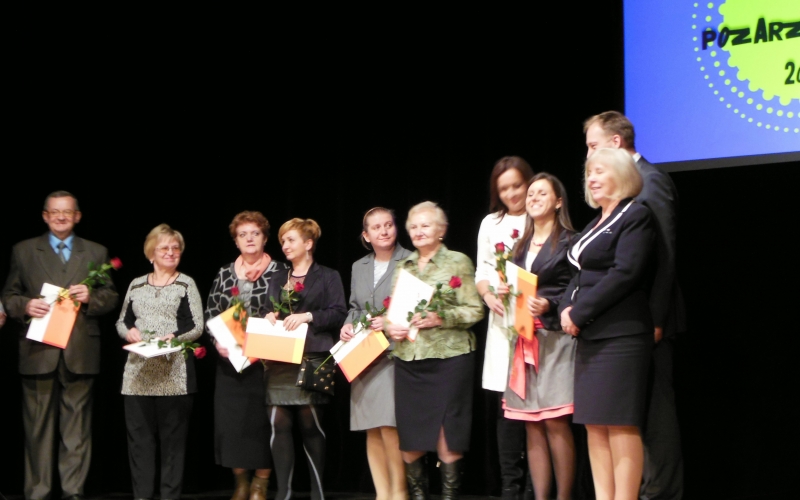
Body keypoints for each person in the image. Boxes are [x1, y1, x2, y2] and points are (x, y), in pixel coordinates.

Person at [585, 111, 686, 500]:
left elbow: (665, 255)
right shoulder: (616, 195)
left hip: (648, 320)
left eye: (594, 146)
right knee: (629, 416)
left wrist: (656, 318)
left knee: (655, 415)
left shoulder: (650, 181)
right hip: (621, 324)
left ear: (616, 143)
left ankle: (660, 494)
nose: (589, 157)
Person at [1, 190, 119, 500]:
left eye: (67, 212)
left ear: (77, 216)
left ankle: (73, 492)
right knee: (37, 428)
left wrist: (92, 297)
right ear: (45, 216)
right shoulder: (24, 250)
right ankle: (37, 493)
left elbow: (110, 296)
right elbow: (9, 296)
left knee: (76, 429)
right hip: (38, 350)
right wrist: (25, 305)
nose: (61, 217)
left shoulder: (95, 252)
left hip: (79, 351)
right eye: (55, 212)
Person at [559, 148, 656, 500]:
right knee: (595, 424)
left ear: (622, 174)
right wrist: (564, 310)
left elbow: (624, 273)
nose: (592, 178)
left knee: (620, 424)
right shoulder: (593, 225)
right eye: (589, 173)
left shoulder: (636, 215)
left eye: (600, 171)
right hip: (591, 337)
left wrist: (578, 312)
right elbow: (578, 275)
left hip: (621, 335)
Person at [385, 201, 484, 500]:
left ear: (441, 230)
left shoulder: (457, 262)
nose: (418, 231)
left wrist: (441, 317)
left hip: (449, 360)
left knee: (447, 437)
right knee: (411, 441)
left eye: (425, 225)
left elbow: (475, 310)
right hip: (409, 359)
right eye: (413, 227)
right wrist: (391, 327)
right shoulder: (403, 266)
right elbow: (392, 314)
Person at [502, 173, 577, 500]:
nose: (533, 198)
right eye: (530, 193)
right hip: (524, 337)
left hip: (554, 338)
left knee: (555, 420)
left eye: (541, 193)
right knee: (532, 422)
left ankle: (564, 496)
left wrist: (550, 303)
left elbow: (577, 286)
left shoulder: (571, 241)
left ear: (558, 201)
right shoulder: (521, 245)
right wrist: (507, 292)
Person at [116, 224, 204, 500]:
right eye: (164, 248)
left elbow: (197, 325)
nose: (170, 252)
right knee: (140, 443)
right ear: (151, 253)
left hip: (173, 373)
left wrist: (173, 338)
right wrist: (128, 332)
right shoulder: (136, 284)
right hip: (137, 374)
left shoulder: (185, 283)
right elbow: (121, 321)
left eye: (175, 248)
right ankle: (142, 496)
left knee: (173, 445)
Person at [205, 212, 289, 500]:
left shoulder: (281, 271)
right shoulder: (224, 273)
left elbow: (289, 310)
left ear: (265, 238)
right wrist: (217, 341)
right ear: (236, 241)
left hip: (268, 363)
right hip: (232, 363)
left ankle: (260, 485)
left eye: (255, 233)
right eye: (243, 234)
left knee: (263, 424)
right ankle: (241, 484)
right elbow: (211, 313)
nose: (249, 238)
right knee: (232, 425)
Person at [264, 218, 347, 500]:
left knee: (311, 424)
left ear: (308, 243)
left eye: (291, 240)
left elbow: (338, 312)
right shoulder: (277, 277)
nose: (285, 245)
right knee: (278, 423)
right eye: (283, 241)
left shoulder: (328, 276)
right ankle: (283, 494)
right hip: (280, 358)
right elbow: (268, 310)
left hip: (313, 356)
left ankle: (317, 493)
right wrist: (269, 316)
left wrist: (308, 316)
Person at [339, 208, 411, 500]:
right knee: (371, 427)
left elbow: (415, 305)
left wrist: (391, 320)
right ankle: (383, 493)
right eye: (376, 227)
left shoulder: (409, 260)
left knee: (390, 425)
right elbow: (355, 307)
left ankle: (400, 492)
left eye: (388, 225)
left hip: (393, 352)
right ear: (366, 236)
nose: (384, 231)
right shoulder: (359, 266)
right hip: (363, 353)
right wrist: (347, 325)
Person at [474, 156, 534, 500]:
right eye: (504, 189)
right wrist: (487, 295)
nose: (512, 194)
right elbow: (482, 270)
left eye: (517, 185)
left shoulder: (539, 215)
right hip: (501, 324)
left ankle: (535, 485)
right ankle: (511, 484)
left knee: (537, 404)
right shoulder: (491, 222)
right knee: (505, 405)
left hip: (534, 321)